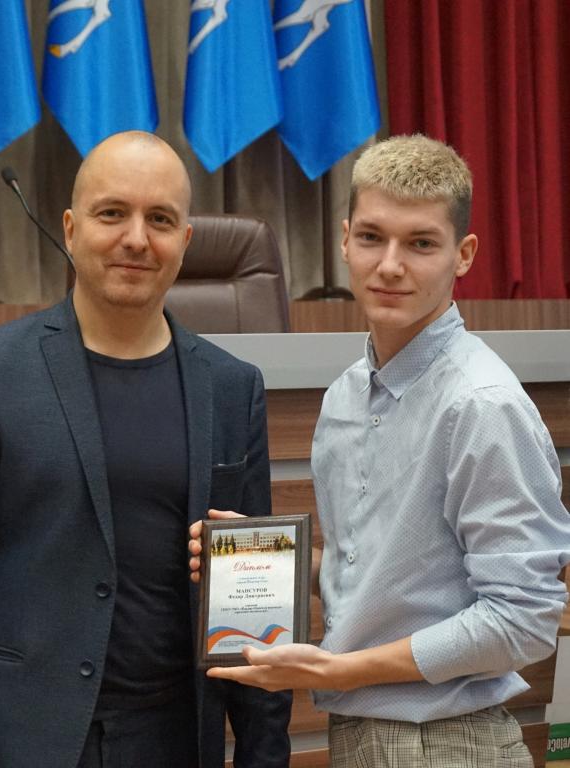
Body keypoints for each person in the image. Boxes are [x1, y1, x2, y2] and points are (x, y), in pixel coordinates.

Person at [0, 131, 291, 768]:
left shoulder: (232, 387)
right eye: (112, 213)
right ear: (72, 229)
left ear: (185, 241)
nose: (136, 238)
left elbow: (255, 598)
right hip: (21, 745)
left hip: (175, 741)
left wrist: (264, 756)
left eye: (160, 220)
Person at [191, 135, 570, 767]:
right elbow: (377, 581)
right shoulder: (344, 396)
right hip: (362, 738)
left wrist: (340, 670)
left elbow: (523, 621)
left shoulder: (481, 405)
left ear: (463, 255)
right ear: (345, 241)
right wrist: (264, 554)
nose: (390, 265)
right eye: (372, 237)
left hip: (451, 743)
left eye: (420, 243)